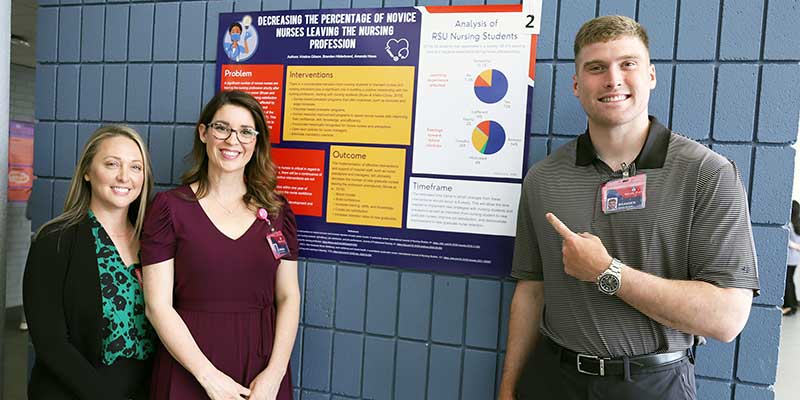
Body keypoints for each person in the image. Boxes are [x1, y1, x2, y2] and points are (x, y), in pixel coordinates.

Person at [499, 15, 760, 400]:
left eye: (628, 64)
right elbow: (532, 290)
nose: (613, 79)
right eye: (596, 67)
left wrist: (608, 272)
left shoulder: (707, 173)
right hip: (552, 379)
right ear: (576, 84)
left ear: (651, 75)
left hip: (652, 385)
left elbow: (727, 319)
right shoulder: (543, 178)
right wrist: (508, 387)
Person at [141, 90, 300, 400]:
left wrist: (275, 374)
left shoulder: (278, 212)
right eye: (222, 128)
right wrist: (208, 377)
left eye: (245, 132)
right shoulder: (169, 208)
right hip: (188, 367)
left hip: (261, 372)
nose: (233, 140)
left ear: (256, 142)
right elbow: (156, 305)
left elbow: (288, 295)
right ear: (204, 133)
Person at [23, 125, 155, 399]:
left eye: (135, 167)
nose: (124, 177)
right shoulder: (55, 240)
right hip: (73, 393)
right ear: (86, 172)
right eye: (111, 164)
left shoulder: (153, 243)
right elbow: (51, 343)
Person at [784, 200, 800, 316]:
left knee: (788, 282)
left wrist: (794, 245)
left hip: (789, 258)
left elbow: (786, 240)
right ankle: (793, 303)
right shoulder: (798, 223)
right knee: (791, 281)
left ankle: (790, 306)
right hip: (796, 258)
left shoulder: (789, 224)